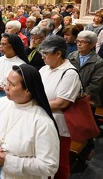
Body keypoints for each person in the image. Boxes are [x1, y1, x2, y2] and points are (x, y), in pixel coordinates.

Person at [0, 64, 60, 178]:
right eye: (7, 82)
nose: (6, 87)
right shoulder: (0, 104)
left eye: (11, 84)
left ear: (28, 90)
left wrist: (8, 161)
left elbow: (49, 166)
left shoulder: (42, 122)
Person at [38, 36, 81, 179]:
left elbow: (61, 103)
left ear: (58, 54)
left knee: (59, 164)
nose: (42, 57)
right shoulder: (44, 69)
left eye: (46, 53)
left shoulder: (69, 73)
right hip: (41, 121)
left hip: (58, 127)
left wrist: (35, 104)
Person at [0, 33, 28, 109]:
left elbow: (21, 86)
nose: (0, 46)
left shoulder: (21, 65)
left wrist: (5, 88)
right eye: (0, 44)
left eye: (4, 44)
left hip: (9, 100)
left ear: (12, 46)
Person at [68, 31, 103, 107]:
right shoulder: (71, 56)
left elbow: (95, 85)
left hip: (87, 99)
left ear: (92, 45)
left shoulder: (98, 62)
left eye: (83, 42)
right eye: (78, 41)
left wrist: (79, 95)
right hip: (69, 95)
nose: (79, 44)